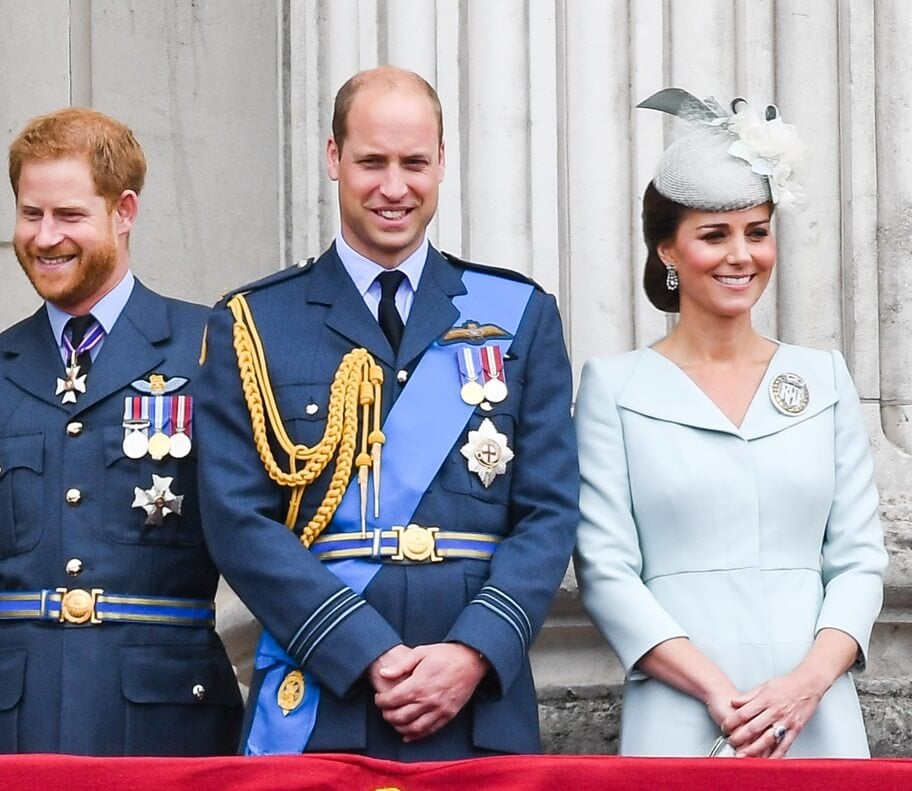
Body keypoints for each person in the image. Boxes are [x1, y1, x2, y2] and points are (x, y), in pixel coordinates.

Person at [197, 66, 579, 760]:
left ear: (442, 163)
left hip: (476, 703)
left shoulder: (519, 315)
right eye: (372, 161)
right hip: (325, 693)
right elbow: (237, 519)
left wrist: (471, 651)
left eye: (414, 162)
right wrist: (364, 650)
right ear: (334, 158)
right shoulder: (255, 322)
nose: (394, 187)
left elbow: (548, 513)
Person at [573, 89, 888, 758]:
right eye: (714, 235)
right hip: (680, 708)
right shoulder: (614, 388)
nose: (741, 255)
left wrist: (803, 686)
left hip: (817, 713)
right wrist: (721, 694)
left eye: (757, 230)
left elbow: (859, 560)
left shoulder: (825, 378)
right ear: (668, 251)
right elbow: (606, 570)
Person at [0, 107, 241, 755]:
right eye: (30, 213)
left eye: (69, 215)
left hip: (169, 721)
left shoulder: (213, 348)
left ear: (123, 211)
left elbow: (258, 533)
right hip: (21, 722)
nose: (45, 237)